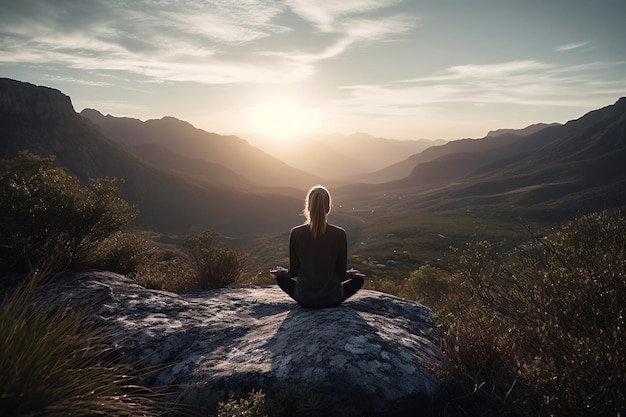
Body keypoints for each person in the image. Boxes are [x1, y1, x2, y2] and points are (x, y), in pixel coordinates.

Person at [271, 185, 364, 308]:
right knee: (359, 280)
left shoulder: (296, 233)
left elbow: (293, 272)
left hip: (304, 299)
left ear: (308, 207)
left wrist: (281, 273)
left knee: (280, 278)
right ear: (328, 208)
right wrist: (351, 274)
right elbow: (341, 275)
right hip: (332, 299)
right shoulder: (339, 234)